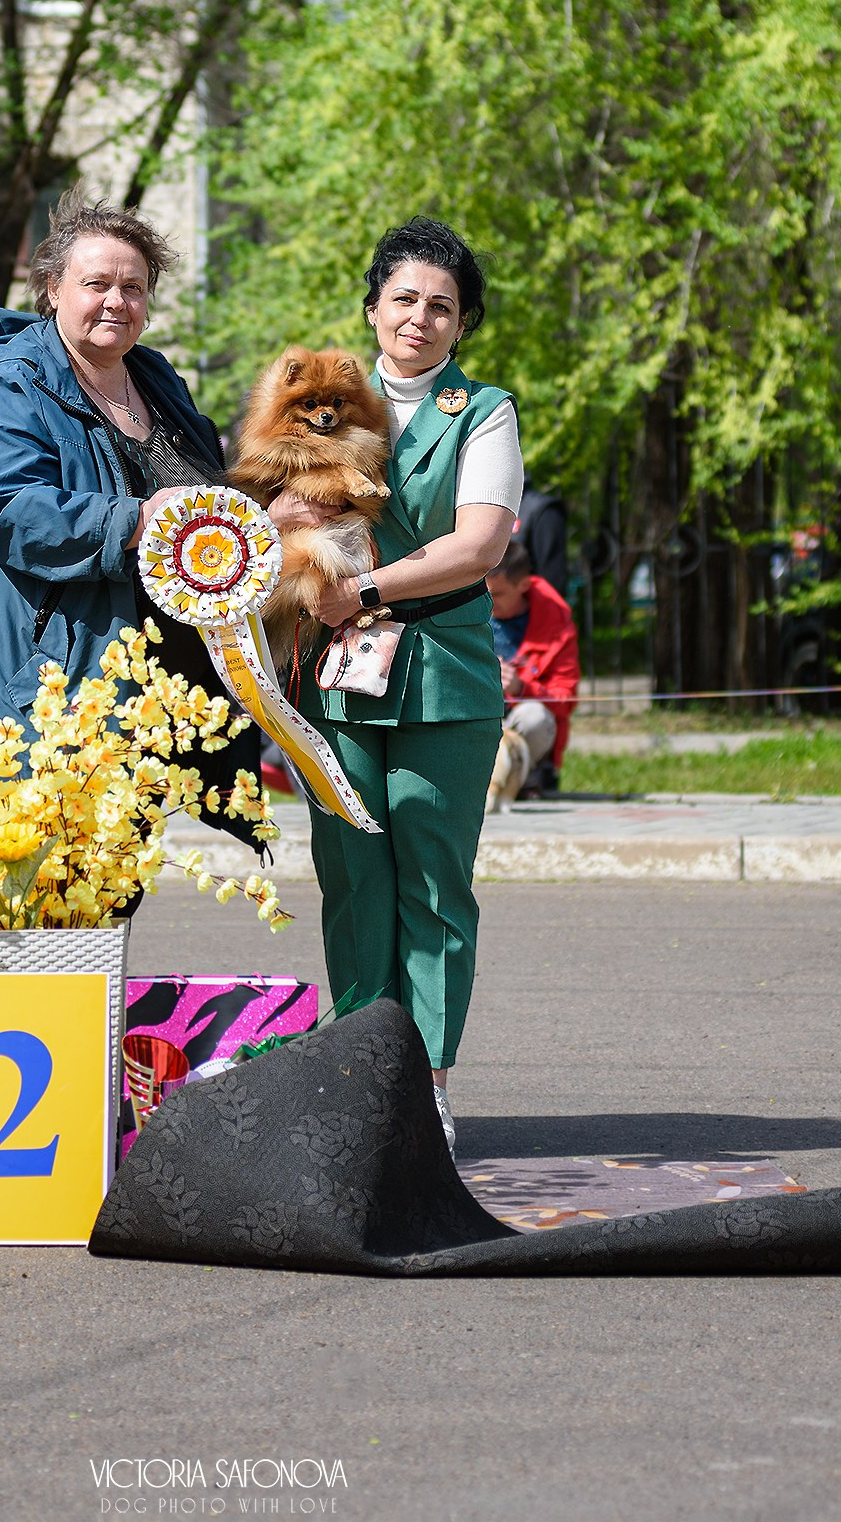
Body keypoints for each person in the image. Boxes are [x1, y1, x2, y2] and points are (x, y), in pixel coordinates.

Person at [267, 216, 523, 1157]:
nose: (420, 317)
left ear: (464, 326)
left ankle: (430, 1084)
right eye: (405, 297)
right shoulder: (325, 399)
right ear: (373, 305)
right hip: (334, 676)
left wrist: (359, 591)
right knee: (349, 872)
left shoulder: (483, 411)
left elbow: (479, 543)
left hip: (442, 669)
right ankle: (359, 1075)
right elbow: (262, 502)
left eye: (443, 306)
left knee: (431, 878)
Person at [0, 189, 259, 829]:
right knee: (37, 902)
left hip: (149, 685)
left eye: (134, 287)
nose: (117, 302)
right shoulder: (1, 387)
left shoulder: (155, 378)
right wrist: (137, 522)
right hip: (37, 683)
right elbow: (10, 510)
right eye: (97, 283)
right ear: (51, 288)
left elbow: (208, 492)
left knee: (113, 891)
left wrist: (269, 517)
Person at [485, 537, 580, 794]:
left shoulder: (557, 627)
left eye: (498, 594)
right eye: (485, 593)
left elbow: (566, 699)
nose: (489, 603)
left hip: (517, 725)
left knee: (535, 717)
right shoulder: (474, 613)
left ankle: (522, 777)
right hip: (478, 718)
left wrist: (521, 686)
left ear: (524, 585)